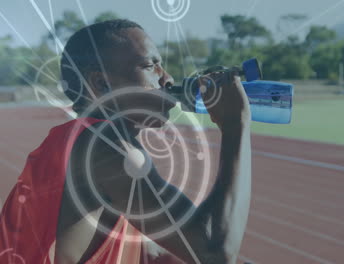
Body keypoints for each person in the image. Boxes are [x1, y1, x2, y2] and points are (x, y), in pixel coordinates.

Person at [0, 19, 252, 264]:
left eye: (161, 64)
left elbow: (150, 254)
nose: (167, 79)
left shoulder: (74, 139)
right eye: (149, 66)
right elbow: (214, 253)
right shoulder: (104, 146)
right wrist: (235, 126)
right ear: (101, 83)